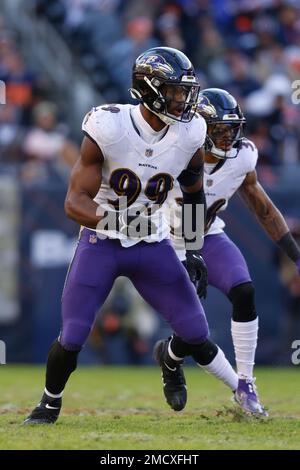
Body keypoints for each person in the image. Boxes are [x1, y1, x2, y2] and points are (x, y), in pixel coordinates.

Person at [24, 48, 239, 425]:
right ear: (149, 88)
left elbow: (192, 190)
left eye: (185, 91)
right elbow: (74, 201)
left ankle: (169, 363)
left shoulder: (191, 132)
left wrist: (192, 249)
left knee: (195, 330)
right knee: (73, 335)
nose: (183, 100)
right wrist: (117, 223)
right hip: (102, 240)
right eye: (174, 91)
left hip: (151, 241)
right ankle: (49, 403)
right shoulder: (110, 125)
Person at [157, 88, 300, 416]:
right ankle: (171, 360)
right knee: (193, 330)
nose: (227, 139)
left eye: (232, 130)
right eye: (220, 130)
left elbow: (263, 208)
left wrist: (295, 254)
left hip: (207, 236)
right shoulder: (175, 150)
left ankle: (246, 384)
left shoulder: (242, 157)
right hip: (164, 242)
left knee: (244, 290)